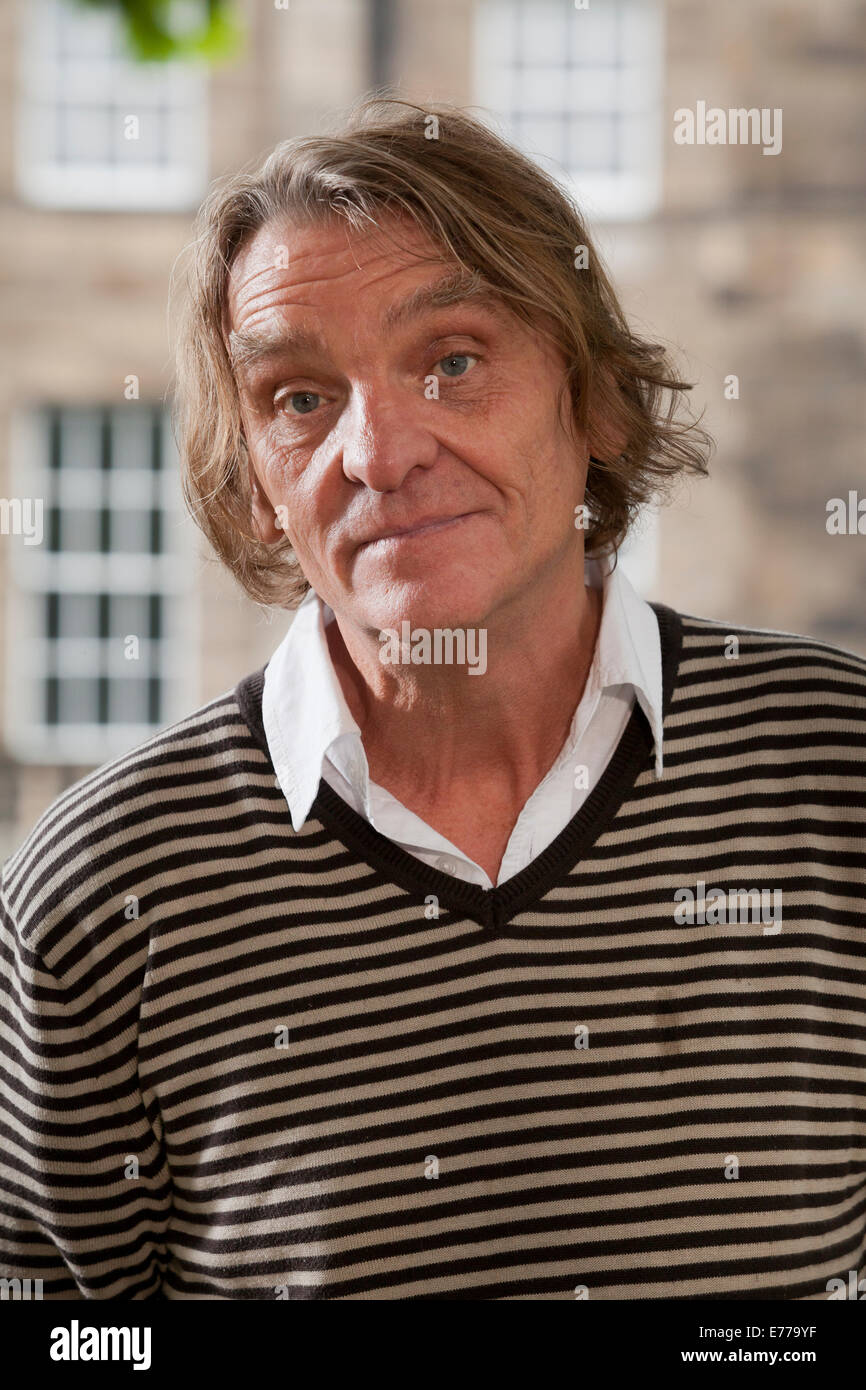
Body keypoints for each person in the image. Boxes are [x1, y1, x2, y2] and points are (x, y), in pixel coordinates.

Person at [1, 99, 864, 1301]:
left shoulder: (835, 768)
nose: (377, 449)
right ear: (256, 488)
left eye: (451, 361)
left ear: (598, 401)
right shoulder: (103, 889)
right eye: (298, 398)